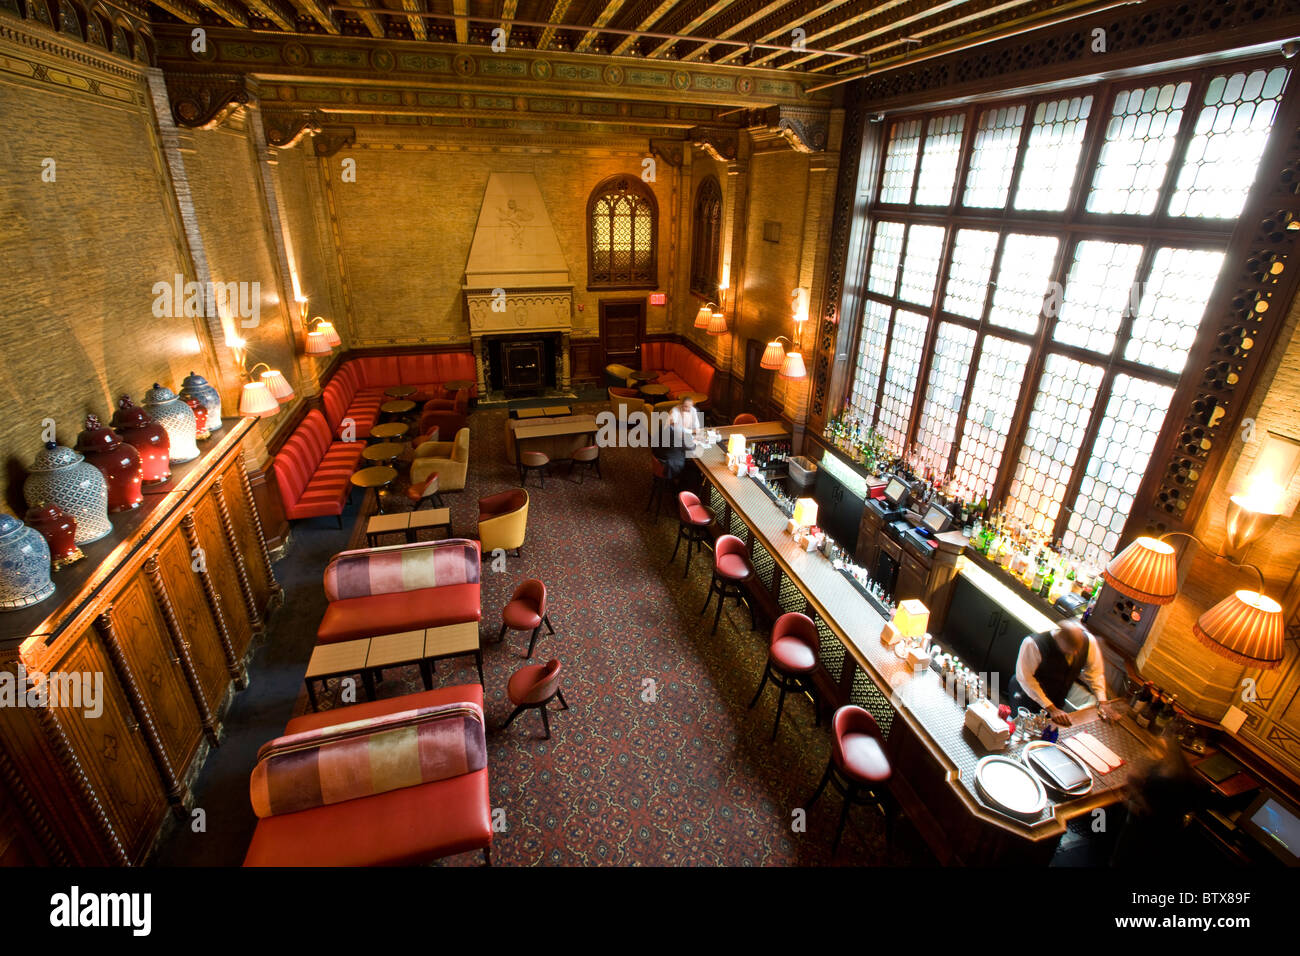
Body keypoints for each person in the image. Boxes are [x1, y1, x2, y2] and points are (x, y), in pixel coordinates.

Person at [1006, 619, 1110, 726]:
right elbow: (1026, 679)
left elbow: (1095, 673)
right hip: (1026, 695)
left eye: (1077, 650)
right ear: (1060, 639)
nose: (1075, 653)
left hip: (1055, 699)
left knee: (1044, 730)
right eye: (1071, 650)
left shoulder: (1089, 642)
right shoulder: (1034, 643)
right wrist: (1052, 709)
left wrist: (1103, 702)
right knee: (1020, 727)